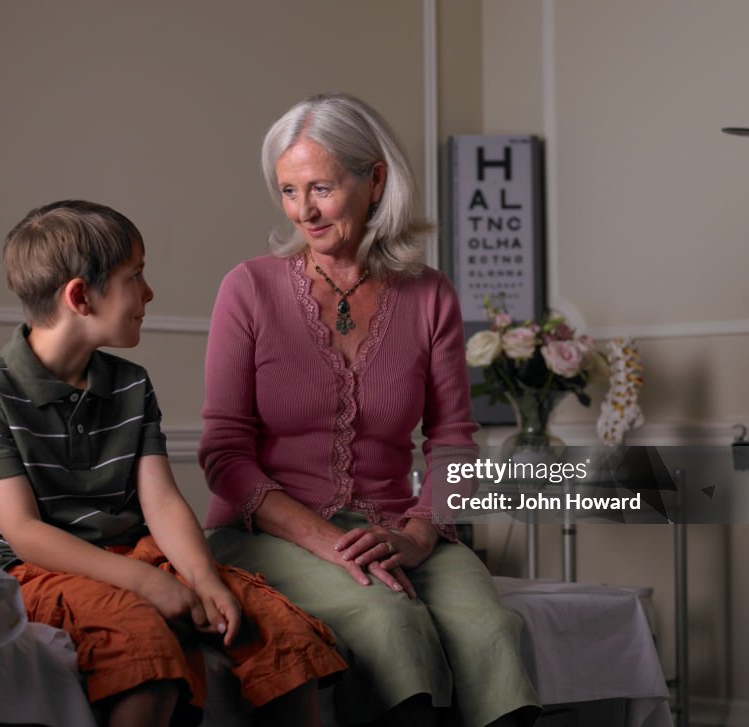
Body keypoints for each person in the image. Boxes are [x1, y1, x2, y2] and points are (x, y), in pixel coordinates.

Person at [199, 94, 540, 727]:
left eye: (321, 188)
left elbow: (454, 440)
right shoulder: (247, 289)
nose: (304, 211)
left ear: (375, 179)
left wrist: (414, 537)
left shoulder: (429, 293)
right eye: (289, 190)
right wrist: (332, 544)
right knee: (390, 622)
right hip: (272, 534)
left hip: (399, 530)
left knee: (492, 631)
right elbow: (223, 453)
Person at [0, 200, 345, 727]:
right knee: (144, 649)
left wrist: (203, 578)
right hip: (33, 570)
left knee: (278, 633)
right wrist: (146, 584)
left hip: (136, 551)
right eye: (135, 276)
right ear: (79, 296)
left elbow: (160, 500)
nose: (149, 292)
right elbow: (24, 533)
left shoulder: (131, 383)